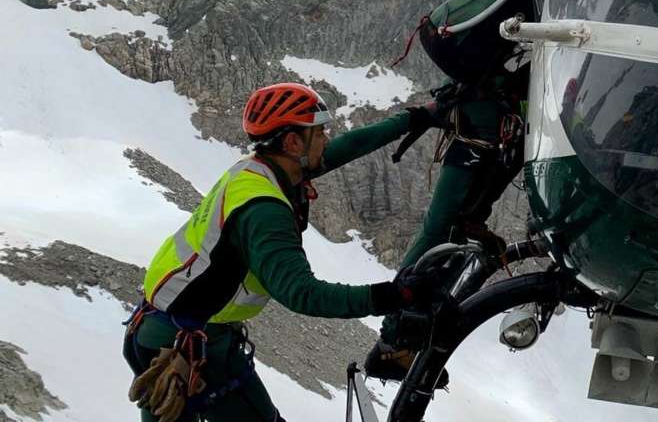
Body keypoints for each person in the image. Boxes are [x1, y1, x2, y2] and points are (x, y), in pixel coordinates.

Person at [123, 82, 445, 422]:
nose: (326, 139)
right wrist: (395, 296)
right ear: (292, 142)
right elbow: (302, 293)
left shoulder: (259, 169)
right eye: (319, 133)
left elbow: (350, 146)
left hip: (157, 334)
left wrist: (416, 118)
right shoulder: (265, 210)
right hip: (191, 345)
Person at [364, 70, 527, 381]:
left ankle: (398, 340)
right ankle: (395, 341)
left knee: (444, 232)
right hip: (482, 125)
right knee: (441, 232)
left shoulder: (502, 79)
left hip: (485, 126)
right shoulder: (506, 78)